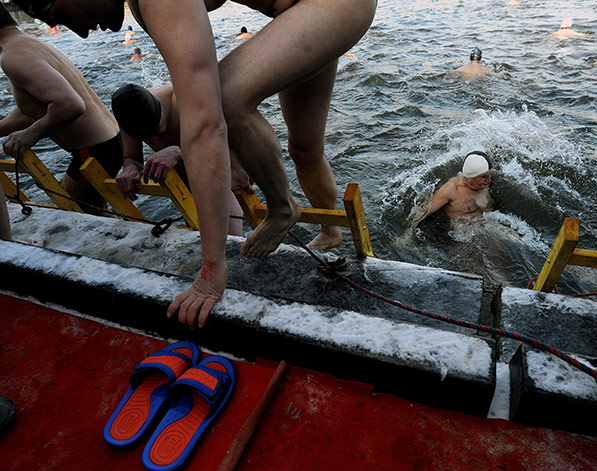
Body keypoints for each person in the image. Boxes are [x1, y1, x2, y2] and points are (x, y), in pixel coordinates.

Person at [13, 0, 376, 330]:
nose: (76, 32)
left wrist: (212, 268)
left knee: (226, 98)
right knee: (305, 148)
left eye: (59, 16)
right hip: (302, 13)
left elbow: (205, 124)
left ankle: (282, 207)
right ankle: (332, 232)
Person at [0, 5, 123, 215]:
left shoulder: (12, 56)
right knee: (95, 210)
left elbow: (70, 104)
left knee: (77, 213)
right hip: (106, 143)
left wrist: (30, 135)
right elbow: (30, 111)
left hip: (93, 151)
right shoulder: (27, 44)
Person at [111, 83, 244, 236]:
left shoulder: (186, 103)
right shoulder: (129, 115)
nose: (154, 141)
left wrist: (178, 151)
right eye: (146, 138)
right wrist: (130, 168)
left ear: (160, 108)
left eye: (157, 133)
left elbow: (219, 154)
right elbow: (132, 157)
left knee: (229, 240)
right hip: (187, 176)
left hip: (221, 168)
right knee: (200, 235)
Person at [412, 151, 493, 228]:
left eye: (489, 175)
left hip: (485, 224)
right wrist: (407, 236)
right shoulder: (451, 189)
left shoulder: (482, 185)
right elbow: (422, 213)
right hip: (462, 236)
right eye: (484, 176)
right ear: (471, 176)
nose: (489, 180)